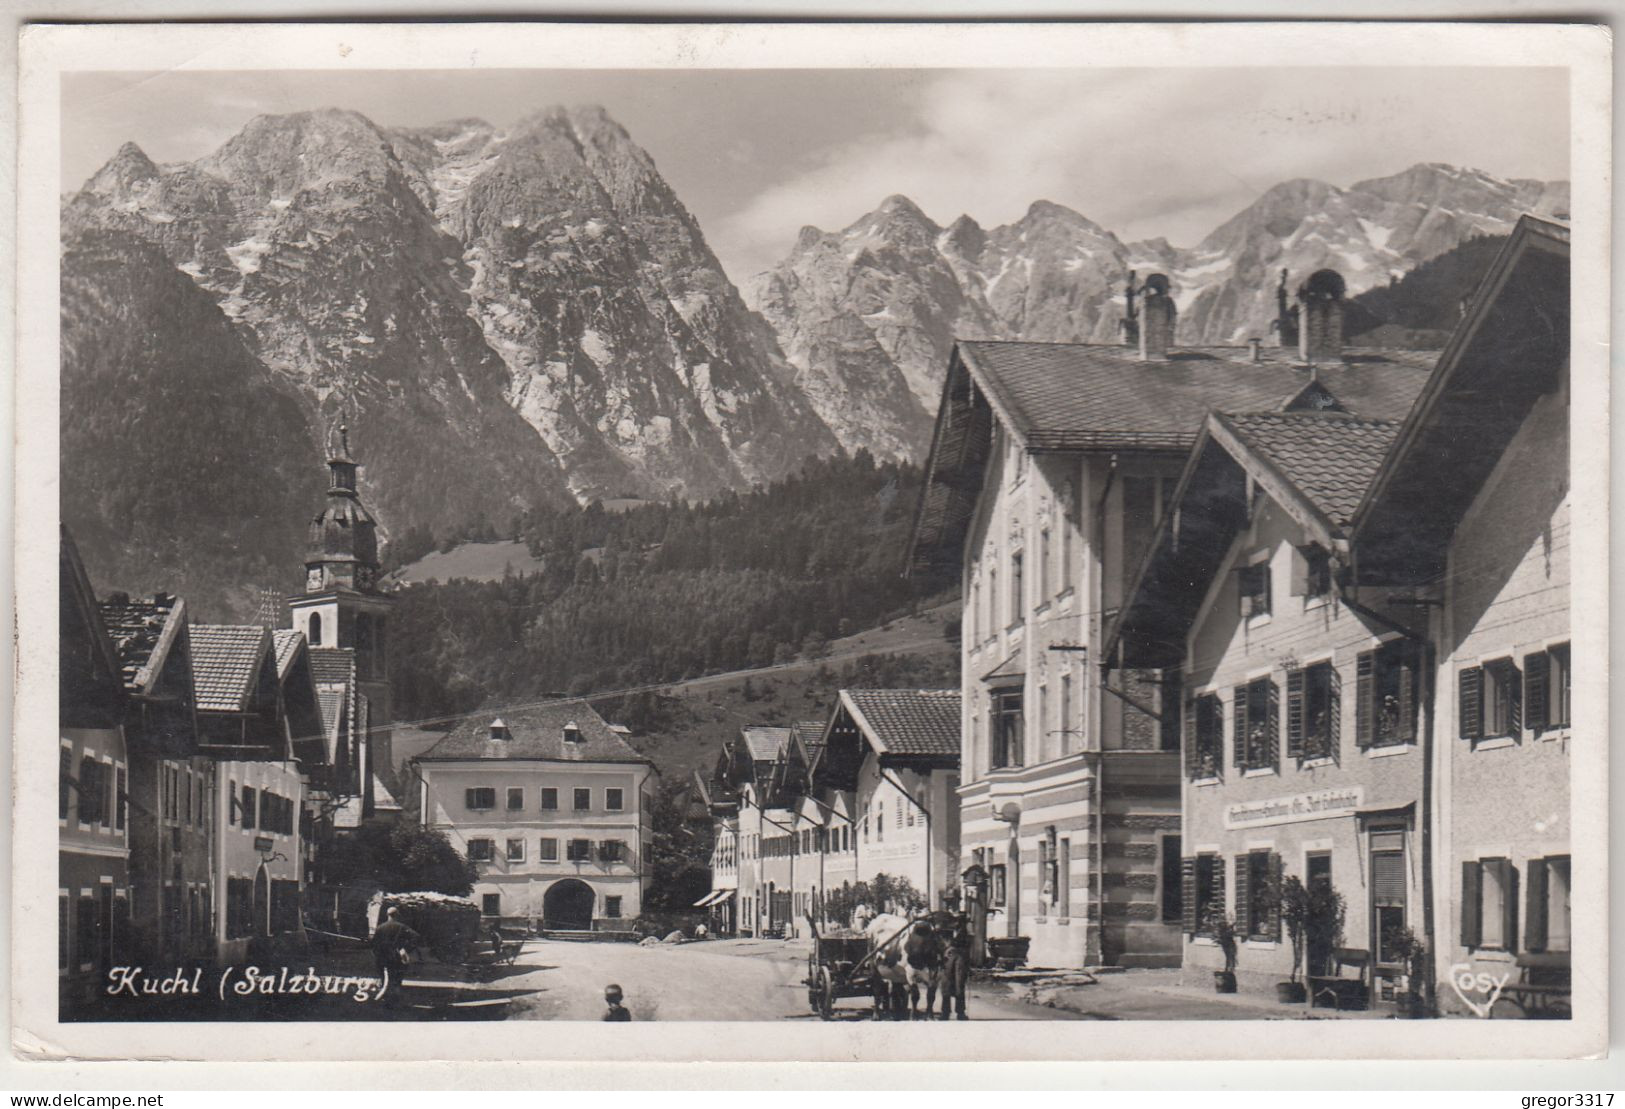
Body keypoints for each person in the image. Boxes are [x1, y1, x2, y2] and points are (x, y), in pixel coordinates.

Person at [371, 906, 422, 1008]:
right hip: (397, 958)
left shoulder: (380, 927)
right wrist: (405, 949)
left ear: (387, 915)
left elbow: (374, 945)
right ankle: (395, 1002)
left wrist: (378, 955)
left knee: (384, 979)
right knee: (397, 981)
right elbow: (416, 936)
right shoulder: (402, 927)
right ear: (397, 915)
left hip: (383, 958)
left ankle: (384, 1001)